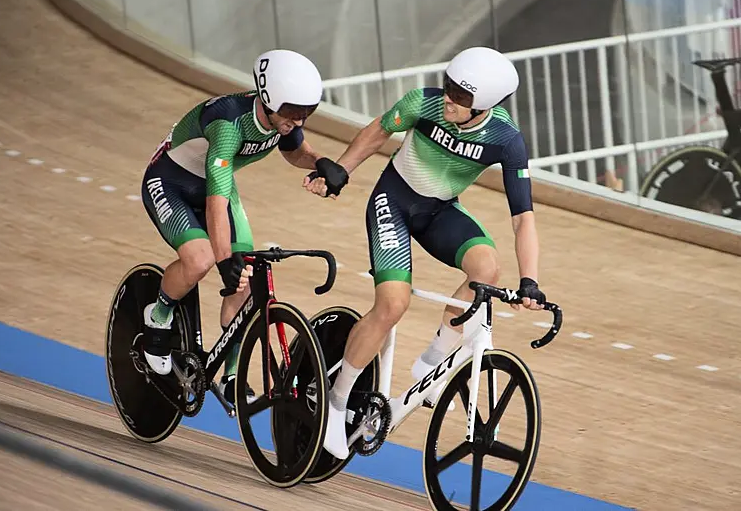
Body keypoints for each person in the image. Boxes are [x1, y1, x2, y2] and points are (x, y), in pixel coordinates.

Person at [305, 46, 547, 460]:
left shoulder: (506, 140)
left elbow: (523, 217)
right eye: (450, 85)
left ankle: (432, 359)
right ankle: (336, 400)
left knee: (488, 269)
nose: (449, 98)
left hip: (439, 212)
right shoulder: (423, 102)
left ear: (485, 106)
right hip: (393, 204)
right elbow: (379, 130)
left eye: (462, 96)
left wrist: (531, 280)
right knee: (392, 306)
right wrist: (342, 171)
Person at [140, 49, 347, 406]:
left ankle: (231, 373)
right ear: (268, 100)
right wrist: (223, 260)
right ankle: (158, 315)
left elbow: (294, 149)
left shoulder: (280, 117)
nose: (299, 121)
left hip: (213, 183)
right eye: (294, 113)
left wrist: (320, 161)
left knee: (247, 273)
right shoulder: (228, 127)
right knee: (202, 260)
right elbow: (216, 203)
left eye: (307, 113)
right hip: (170, 182)